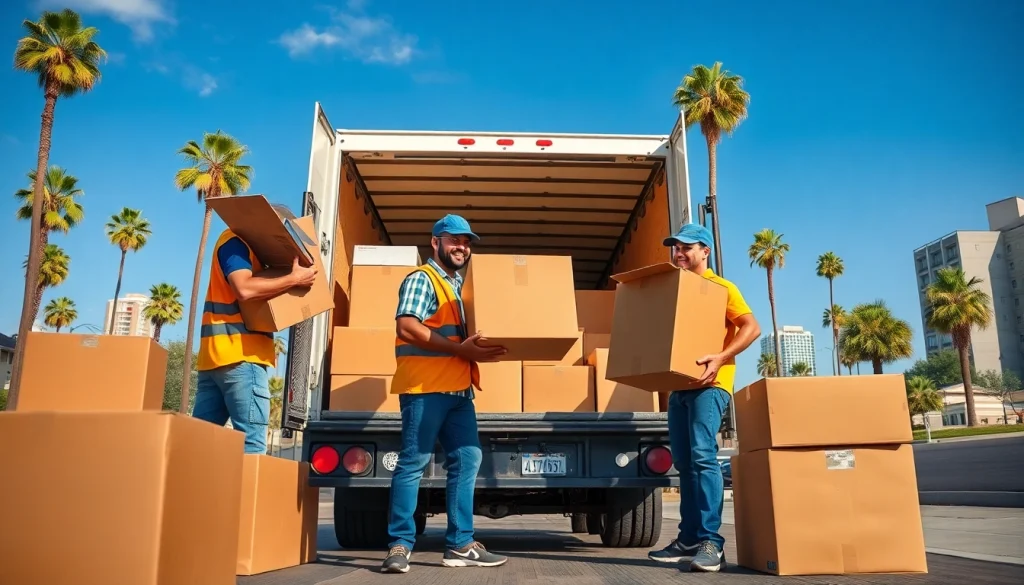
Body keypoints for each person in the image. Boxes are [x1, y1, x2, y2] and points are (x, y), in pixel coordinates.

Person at [381, 214, 509, 574]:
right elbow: (407, 326)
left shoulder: (456, 287)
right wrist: (460, 351)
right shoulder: (424, 279)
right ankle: (399, 545)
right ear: (435, 242)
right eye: (454, 240)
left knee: (467, 461)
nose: (461, 247)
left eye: (467, 242)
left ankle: (459, 545)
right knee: (413, 464)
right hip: (425, 388)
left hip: (457, 392)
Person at [647, 223, 760, 573]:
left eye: (686, 248)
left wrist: (721, 357)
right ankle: (688, 539)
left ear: (705, 252)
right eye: (675, 248)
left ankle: (712, 541)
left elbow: (752, 327)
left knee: (702, 457)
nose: (678, 253)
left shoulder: (721, 288)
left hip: (710, 384)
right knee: (684, 462)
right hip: (680, 386)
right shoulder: (675, 290)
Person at [192, 203, 317, 454]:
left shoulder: (246, 250)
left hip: (215, 360)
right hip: (241, 357)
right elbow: (244, 288)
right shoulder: (236, 242)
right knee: (251, 445)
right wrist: (294, 279)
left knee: (198, 446)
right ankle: (249, 495)